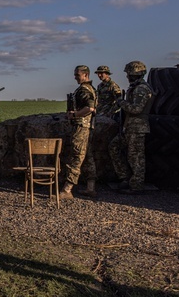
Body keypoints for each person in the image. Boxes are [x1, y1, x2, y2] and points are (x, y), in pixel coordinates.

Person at [108, 60, 154, 194]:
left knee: (136, 157)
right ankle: (125, 177)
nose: (127, 77)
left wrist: (120, 101)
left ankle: (136, 185)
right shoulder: (134, 88)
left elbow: (136, 109)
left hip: (137, 128)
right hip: (128, 127)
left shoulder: (142, 89)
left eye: (129, 74)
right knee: (114, 147)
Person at [61, 65, 97, 199]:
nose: (75, 77)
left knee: (76, 156)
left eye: (78, 75)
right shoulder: (91, 89)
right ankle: (90, 187)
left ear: (85, 75)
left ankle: (67, 189)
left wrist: (75, 114)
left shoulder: (84, 90)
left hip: (82, 127)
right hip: (88, 126)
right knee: (88, 157)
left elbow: (90, 108)